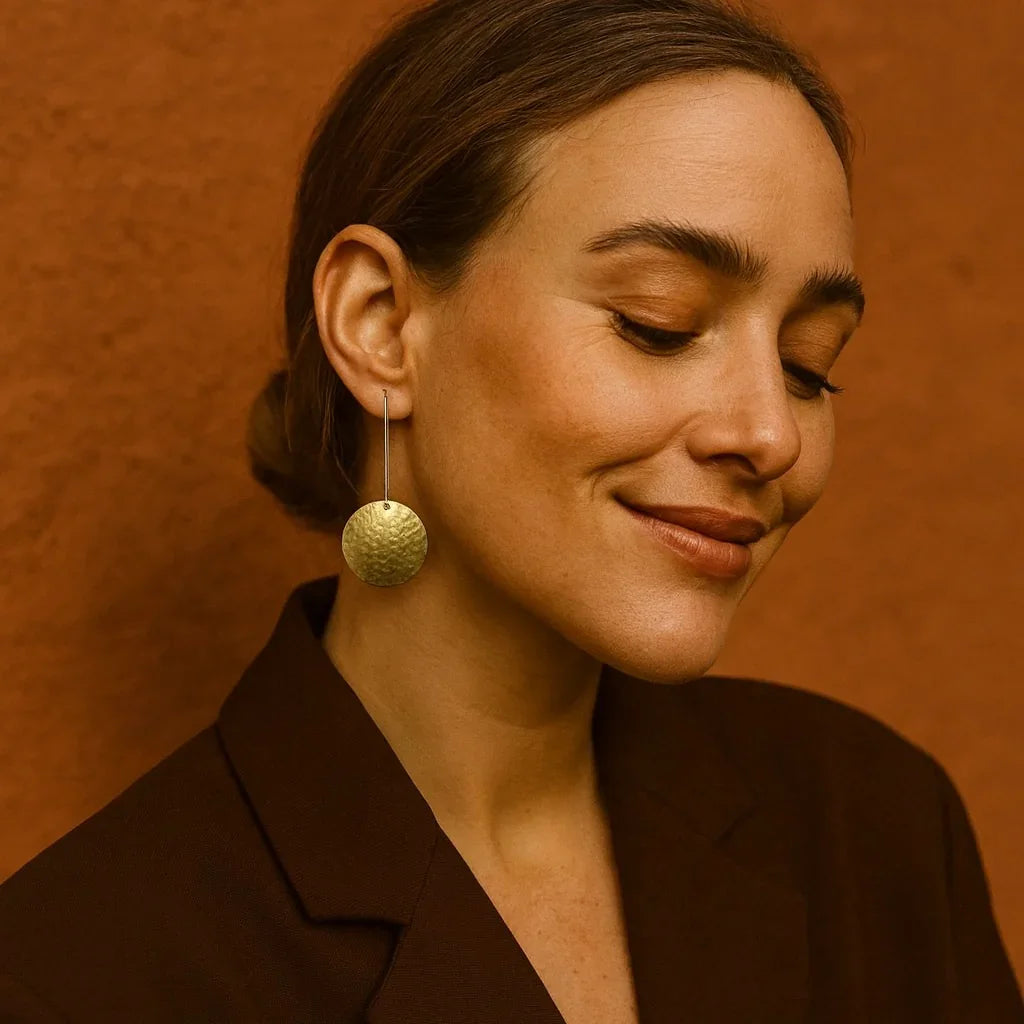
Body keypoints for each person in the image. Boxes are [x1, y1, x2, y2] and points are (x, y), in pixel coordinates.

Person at [2, 0, 1022, 1020]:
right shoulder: (80, 973)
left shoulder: (875, 836)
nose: (771, 434)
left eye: (810, 365)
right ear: (381, 325)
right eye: (657, 321)